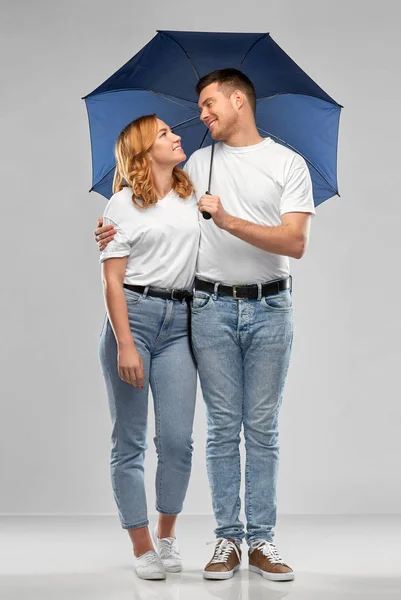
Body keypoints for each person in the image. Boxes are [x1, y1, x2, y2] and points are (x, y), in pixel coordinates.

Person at [95, 69, 315, 582]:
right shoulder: (198, 163)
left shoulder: (287, 164)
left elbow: (295, 244)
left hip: (268, 306)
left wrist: (227, 216)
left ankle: (259, 540)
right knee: (218, 430)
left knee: (258, 429)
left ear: (239, 99)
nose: (199, 116)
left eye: (210, 103)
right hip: (208, 308)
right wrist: (108, 229)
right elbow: (141, 214)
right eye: (197, 107)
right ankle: (224, 539)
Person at [98, 114, 199, 580]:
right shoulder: (120, 205)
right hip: (133, 319)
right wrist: (124, 345)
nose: (176, 136)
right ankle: (141, 546)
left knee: (177, 441)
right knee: (130, 441)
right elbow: (112, 281)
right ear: (142, 150)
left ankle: (168, 535)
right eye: (164, 134)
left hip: (180, 321)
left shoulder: (191, 193)